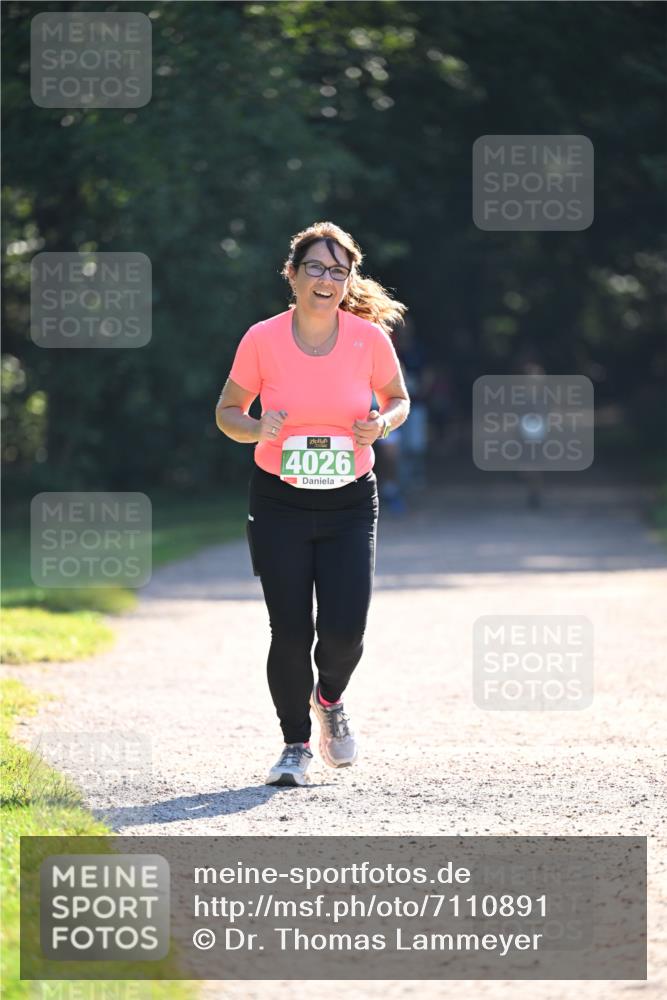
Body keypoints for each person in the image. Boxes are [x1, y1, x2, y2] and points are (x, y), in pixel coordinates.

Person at [215, 221, 410, 787]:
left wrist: (381, 424)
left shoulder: (368, 340)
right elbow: (227, 413)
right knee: (291, 631)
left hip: (350, 501)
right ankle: (295, 745)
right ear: (293, 274)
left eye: (338, 271)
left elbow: (398, 400)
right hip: (279, 500)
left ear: (348, 281)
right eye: (316, 267)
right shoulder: (262, 339)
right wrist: (257, 428)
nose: (327, 279)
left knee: (345, 630)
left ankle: (329, 698)